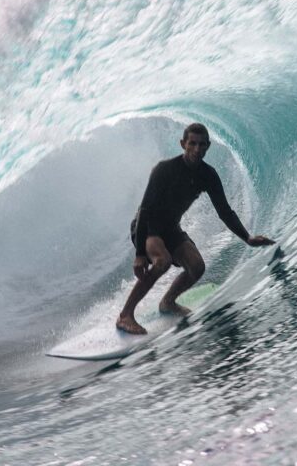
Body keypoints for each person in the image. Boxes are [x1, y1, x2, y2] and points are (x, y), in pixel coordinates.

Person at [116, 123, 275, 334]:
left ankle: (168, 302)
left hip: (171, 228)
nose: (197, 149)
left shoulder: (208, 175)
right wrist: (139, 255)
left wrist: (247, 238)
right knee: (161, 261)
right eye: (192, 143)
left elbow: (224, 212)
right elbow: (145, 209)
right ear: (183, 144)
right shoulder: (164, 169)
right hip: (147, 225)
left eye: (202, 145)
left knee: (197, 267)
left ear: (208, 146)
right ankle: (125, 315)